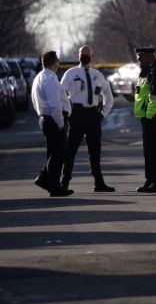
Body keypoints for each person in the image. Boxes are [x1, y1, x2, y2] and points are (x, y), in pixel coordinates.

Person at [60, 45, 115, 192]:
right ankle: (64, 182)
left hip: (93, 116)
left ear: (92, 56)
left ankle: (99, 183)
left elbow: (108, 97)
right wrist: (67, 112)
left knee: (95, 151)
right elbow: (61, 94)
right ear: (78, 57)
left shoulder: (98, 75)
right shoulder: (71, 73)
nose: (85, 56)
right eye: (82, 54)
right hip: (76, 116)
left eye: (88, 54)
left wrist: (102, 115)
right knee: (70, 151)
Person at [32, 50, 74, 197]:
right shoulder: (49, 79)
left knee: (56, 153)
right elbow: (54, 104)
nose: (59, 63)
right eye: (58, 60)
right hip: (53, 120)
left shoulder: (41, 76)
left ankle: (46, 180)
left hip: (48, 119)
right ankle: (54, 186)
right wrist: (60, 123)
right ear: (55, 62)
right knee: (58, 154)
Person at [133, 47, 156, 193]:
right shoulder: (147, 70)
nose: (139, 62)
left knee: (155, 152)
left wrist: (149, 115)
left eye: (140, 59)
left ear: (148, 57)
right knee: (149, 151)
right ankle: (151, 180)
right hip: (149, 115)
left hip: (155, 116)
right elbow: (145, 92)